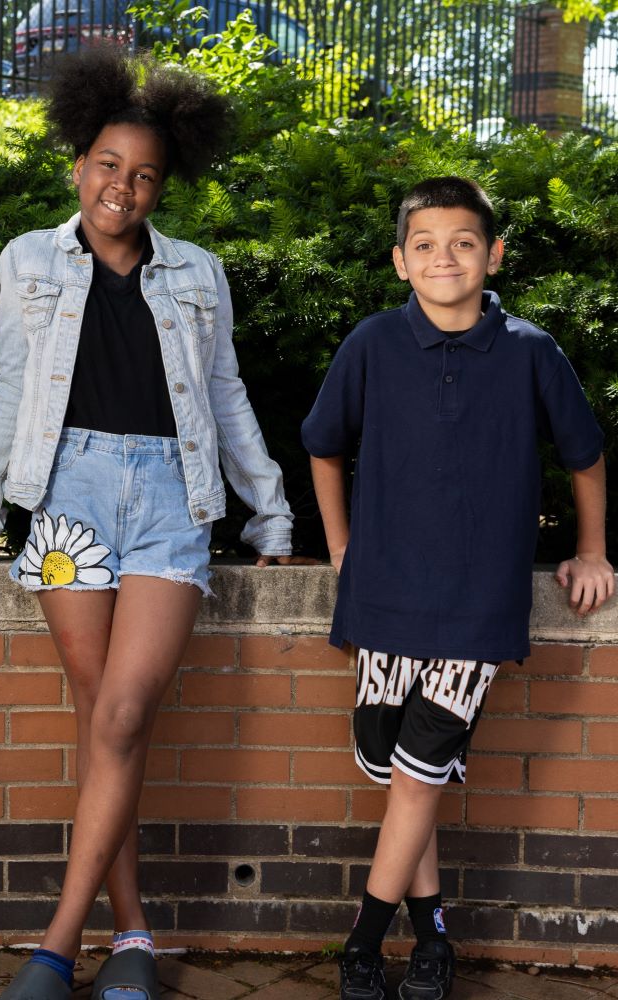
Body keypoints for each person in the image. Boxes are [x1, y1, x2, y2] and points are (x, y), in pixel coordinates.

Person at [0, 47, 308, 1000]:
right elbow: (14, 389)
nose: (124, 185)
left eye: (144, 174)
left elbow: (225, 397)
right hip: (67, 502)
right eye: (109, 164)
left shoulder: (197, 273)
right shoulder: (27, 259)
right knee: (102, 721)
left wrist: (270, 510)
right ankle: (135, 940)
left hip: (169, 501)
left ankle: (57, 945)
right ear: (79, 162)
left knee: (119, 714)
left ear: (164, 185)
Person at [301, 176, 613, 1000]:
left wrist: (592, 550)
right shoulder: (372, 342)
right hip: (383, 598)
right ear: (402, 260)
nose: (447, 257)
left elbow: (584, 456)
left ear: (494, 254)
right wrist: (341, 546)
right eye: (428, 244)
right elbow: (324, 448)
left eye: (465, 242)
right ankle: (434, 936)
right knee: (397, 767)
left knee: (414, 775)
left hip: (477, 605)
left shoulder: (531, 351)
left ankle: (363, 946)